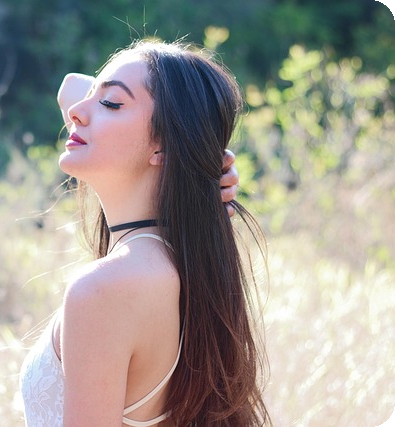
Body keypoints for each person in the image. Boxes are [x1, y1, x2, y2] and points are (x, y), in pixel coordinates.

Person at [20, 39, 269, 426]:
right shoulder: (181, 263)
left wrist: (199, 156)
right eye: (93, 96)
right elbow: (72, 87)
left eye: (111, 103)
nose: (75, 112)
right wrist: (199, 158)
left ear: (163, 148)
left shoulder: (104, 289)